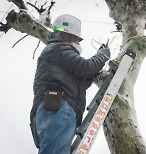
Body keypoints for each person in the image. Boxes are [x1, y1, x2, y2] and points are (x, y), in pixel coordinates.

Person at [30, 14, 110, 154]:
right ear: (68, 36)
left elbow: (81, 81)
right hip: (59, 109)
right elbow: (86, 67)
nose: (77, 43)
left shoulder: (54, 56)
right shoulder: (58, 48)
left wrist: (93, 74)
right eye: (76, 40)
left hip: (49, 109)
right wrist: (102, 55)